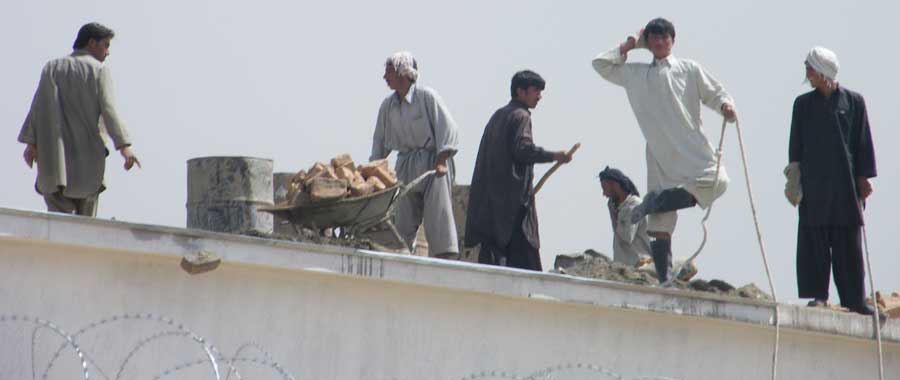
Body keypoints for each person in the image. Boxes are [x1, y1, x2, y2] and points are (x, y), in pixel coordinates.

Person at [592, 17, 736, 283]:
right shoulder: (636, 74)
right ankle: (664, 279)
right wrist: (630, 44)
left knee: (719, 181)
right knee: (659, 223)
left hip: (692, 147)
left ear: (673, 40)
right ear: (649, 42)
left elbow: (716, 93)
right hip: (659, 152)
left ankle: (655, 201)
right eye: (654, 38)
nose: (659, 42)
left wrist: (725, 106)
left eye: (664, 37)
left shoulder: (688, 69)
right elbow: (600, 64)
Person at [787, 46, 881, 317]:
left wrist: (864, 178)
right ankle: (818, 296)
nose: (807, 73)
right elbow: (796, 146)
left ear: (823, 71)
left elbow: (863, 143)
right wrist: (794, 179)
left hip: (845, 188)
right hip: (814, 187)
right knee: (813, 242)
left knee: (848, 245)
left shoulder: (854, 102)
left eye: (811, 68)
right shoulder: (802, 105)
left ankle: (854, 300)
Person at [18, 22, 140, 217]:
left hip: (53, 163)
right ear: (92, 43)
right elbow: (109, 111)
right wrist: (124, 147)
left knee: (57, 228)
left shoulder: (52, 67)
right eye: (106, 45)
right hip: (88, 163)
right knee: (86, 229)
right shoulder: (100, 71)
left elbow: (38, 107)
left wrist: (31, 144)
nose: (108, 52)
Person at [465, 70, 572, 271]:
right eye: (535, 91)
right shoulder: (521, 116)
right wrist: (555, 156)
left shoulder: (498, 115)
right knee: (526, 266)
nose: (539, 96)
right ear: (520, 92)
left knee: (493, 265)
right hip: (513, 209)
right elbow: (523, 150)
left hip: (492, 208)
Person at [370, 51, 459, 258]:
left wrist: (442, 161)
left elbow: (448, 130)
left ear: (402, 73)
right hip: (406, 164)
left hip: (433, 163)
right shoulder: (388, 106)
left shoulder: (427, 97)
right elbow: (379, 143)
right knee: (402, 215)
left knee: (438, 214)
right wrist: (372, 172)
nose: (385, 77)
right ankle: (400, 255)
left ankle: (445, 257)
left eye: (388, 72)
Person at [598, 167, 651, 267]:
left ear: (615, 185)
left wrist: (617, 213)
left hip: (639, 265)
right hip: (622, 265)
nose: (604, 194)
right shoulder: (615, 206)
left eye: (605, 189)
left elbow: (626, 236)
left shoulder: (634, 205)